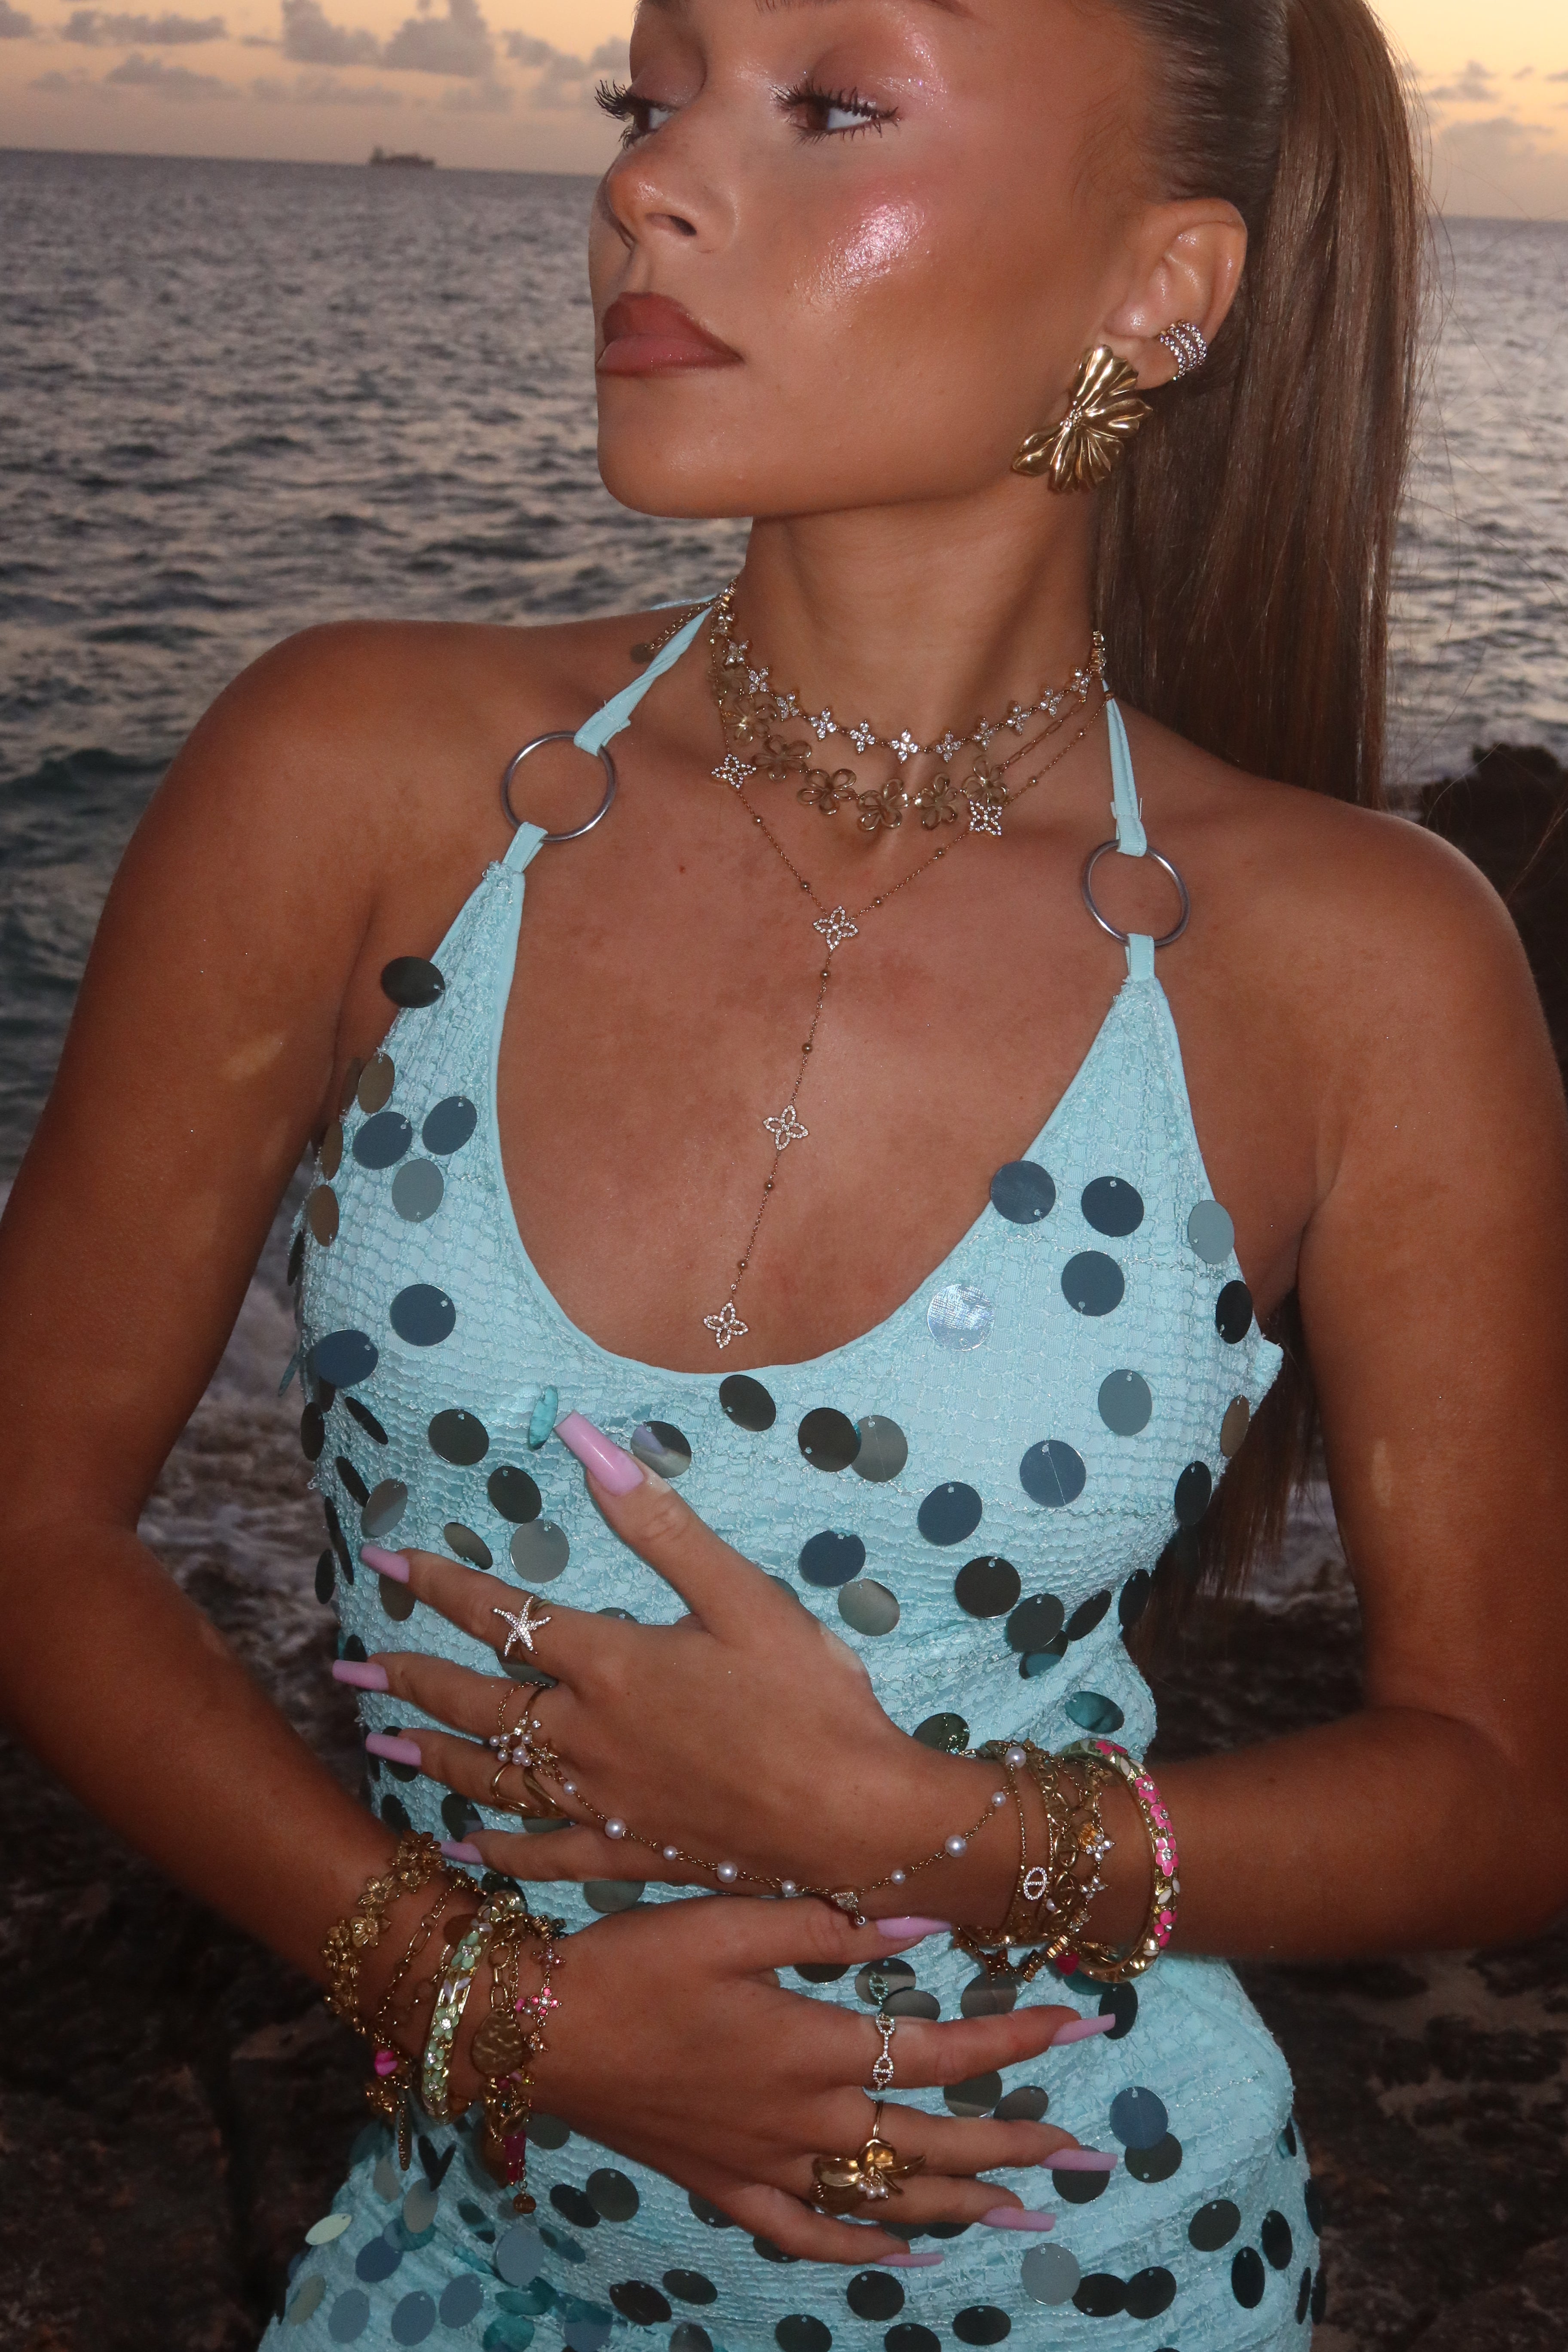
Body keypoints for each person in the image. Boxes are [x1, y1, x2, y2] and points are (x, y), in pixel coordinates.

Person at [1, 0, 1565, 2346]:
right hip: (468, 2275)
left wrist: (924, 1834)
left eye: (831, 106)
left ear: (1162, 288)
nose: (646, 183)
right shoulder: (353, 777)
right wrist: (480, 2004)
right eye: (650, 99)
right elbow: (32, 1516)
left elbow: (1503, 1785)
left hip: (1090, 2279)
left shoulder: (1360, 961)